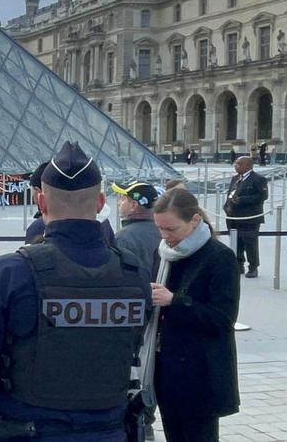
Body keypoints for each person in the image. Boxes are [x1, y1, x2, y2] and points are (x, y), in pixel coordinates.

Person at [0, 141, 150, 440]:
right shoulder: (133, 273)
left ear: (42, 203)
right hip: (108, 430)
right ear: (99, 202)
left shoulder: (9, 273)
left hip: (27, 428)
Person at [151, 188, 240, 440]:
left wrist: (174, 302)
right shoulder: (164, 255)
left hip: (200, 373)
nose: (165, 236)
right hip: (167, 369)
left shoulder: (219, 257)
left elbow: (222, 320)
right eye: (160, 228)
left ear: (195, 221)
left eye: (171, 229)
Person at [224, 156, 267, 278]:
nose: (235, 166)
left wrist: (243, 200)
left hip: (249, 217)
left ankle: (253, 267)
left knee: (250, 242)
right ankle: (238, 264)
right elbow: (230, 194)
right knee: (236, 241)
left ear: (247, 165)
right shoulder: (235, 178)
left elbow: (262, 196)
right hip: (232, 216)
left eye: (238, 164)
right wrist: (226, 206)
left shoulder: (258, 179)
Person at [112, 180, 162, 279]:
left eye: (122, 199)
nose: (118, 203)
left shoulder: (123, 238)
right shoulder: (164, 230)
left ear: (133, 205)